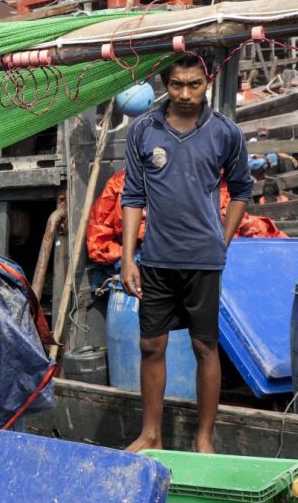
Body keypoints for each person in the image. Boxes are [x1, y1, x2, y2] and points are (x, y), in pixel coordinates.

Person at [120, 53, 252, 454]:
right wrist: (129, 257)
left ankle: (204, 439)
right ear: (164, 83)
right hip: (156, 259)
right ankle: (151, 433)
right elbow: (133, 196)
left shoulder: (226, 132)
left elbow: (243, 190)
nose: (185, 93)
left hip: (203, 261)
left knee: (205, 346)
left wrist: (222, 241)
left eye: (194, 84)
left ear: (207, 81)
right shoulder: (143, 130)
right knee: (150, 346)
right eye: (177, 84)